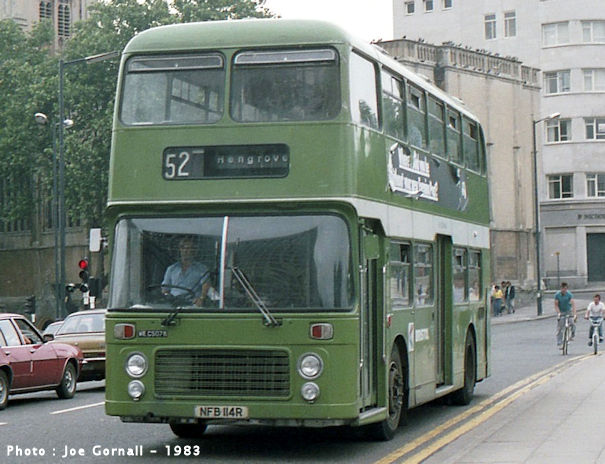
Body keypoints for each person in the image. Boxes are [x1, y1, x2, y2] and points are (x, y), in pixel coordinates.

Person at [162, 236, 212, 306]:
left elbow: (206, 286)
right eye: (183, 248)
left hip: (192, 305)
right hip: (173, 304)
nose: (185, 251)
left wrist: (201, 298)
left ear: (194, 251)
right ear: (180, 250)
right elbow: (165, 289)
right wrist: (167, 298)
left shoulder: (202, 269)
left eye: (188, 248)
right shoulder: (171, 269)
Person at [554, 282, 576, 348]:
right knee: (560, 327)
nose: (564, 290)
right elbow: (556, 305)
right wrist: (558, 313)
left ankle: (572, 335)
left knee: (572, 323)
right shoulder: (557, 295)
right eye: (563, 288)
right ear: (561, 288)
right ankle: (559, 342)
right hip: (561, 312)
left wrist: (574, 314)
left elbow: (573, 304)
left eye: (565, 289)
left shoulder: (569, 295)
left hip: (568, 311)